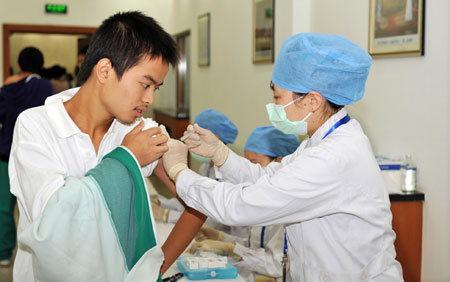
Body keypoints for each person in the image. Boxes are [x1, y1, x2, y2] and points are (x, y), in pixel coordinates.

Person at [162, 33, 404, 281]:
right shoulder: (320, 142)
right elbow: (266, 178)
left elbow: (240, 206)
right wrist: (220, 153)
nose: (273, 105)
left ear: (312, 101)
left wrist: (179, 172)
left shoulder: (333, 157)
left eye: (278, 97)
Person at [9, 11, 205, 282]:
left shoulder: (139, 131)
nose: (149, 99)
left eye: (155, 89)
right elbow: (51, 226)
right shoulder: (37, 126)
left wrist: (154, 270)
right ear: (104, 71)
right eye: (145, 84)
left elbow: (200, 202)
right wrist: (127, 158)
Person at [189, 126, 300, 282]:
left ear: (279, 162)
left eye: (255, 163)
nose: (250, 172)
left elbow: (276, 263)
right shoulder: (262, 198)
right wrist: (221, 238)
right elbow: (254, 247)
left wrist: (230, 249)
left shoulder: (288, 208)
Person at [0, 46, 53, 267]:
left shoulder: (7, 86)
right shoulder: (44, 86)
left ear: (19, 64)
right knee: (33, 203)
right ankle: (33, 255)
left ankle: (3, 253)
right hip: (33, 154)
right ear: (40, 65)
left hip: (4, 151)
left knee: (4, 206)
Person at [152, 109, 238, 229]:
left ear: (214, 138)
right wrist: (162, 202)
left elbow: (213, 221)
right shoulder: (206, 167)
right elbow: (193, 200)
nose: (189, 140)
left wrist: (167, 215)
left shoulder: (228, 175)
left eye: (194, 135)